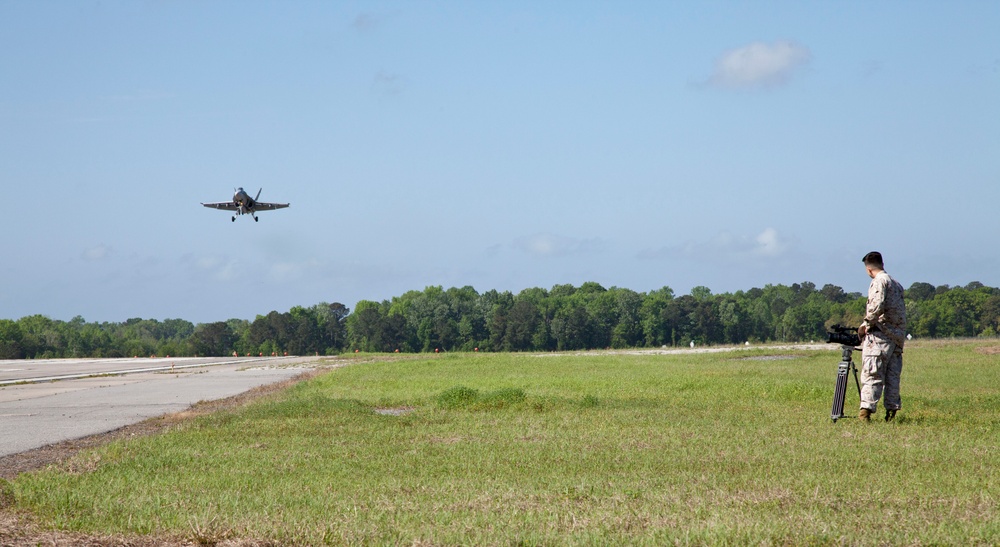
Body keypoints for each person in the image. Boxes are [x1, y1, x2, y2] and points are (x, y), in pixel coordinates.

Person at [857, 251, 906, 422]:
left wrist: (865, 325)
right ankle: (891, 414)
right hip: (897, 338)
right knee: (892, 377)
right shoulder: (896, 284)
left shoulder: (879, 282)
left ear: (869, 269)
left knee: (873, 374)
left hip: (880, 337)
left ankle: (865, 413)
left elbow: (876, 307)